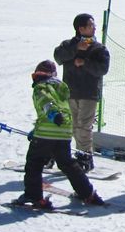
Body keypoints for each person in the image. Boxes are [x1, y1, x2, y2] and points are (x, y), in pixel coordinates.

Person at [13, 60, 104, 209]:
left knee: (34, 163)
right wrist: (36, 131)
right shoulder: (62, 89)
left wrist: (53, 115)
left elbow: (46, 102)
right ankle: (88, 193)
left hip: (46, 133)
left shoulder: (41, 87)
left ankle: (34, 196)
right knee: (67, 163)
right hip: (63, 133)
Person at [53, 13, 110, 172]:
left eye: (93, 25)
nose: (94, 28)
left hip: (88, 94)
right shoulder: (68, 45)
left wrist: (85, 62)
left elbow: (102, 69)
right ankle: (75, 154)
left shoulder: (99, 48)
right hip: (69, 93)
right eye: (90, 25)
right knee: (72, 126)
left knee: (84, 127)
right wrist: (76, 49)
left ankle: (85, 157)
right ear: (81, 28)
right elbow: (58, 56)